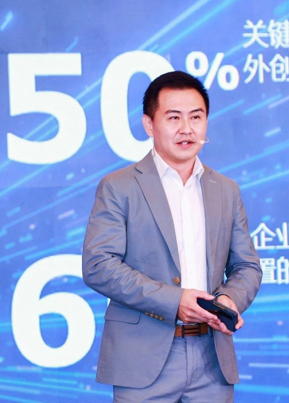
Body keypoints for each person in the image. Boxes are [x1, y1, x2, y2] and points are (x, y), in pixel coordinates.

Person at [82, 70, 262, 402]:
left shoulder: (226, 190)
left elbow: (247, 266)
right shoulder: (119, 187)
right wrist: (174, 301)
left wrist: (229, 300)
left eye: (196, 117)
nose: (187, 129)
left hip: (212, 359)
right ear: (149, 124)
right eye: (174, 117)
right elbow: (99, 265)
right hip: (142, 360)